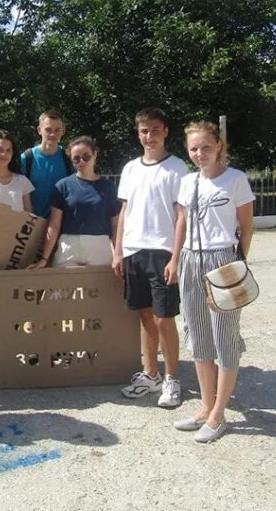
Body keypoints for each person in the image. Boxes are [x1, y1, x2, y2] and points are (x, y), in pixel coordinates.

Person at [172, 120, 255, 442]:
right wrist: (176, 258)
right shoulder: (188, 182)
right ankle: (205, 407)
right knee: (198, 336)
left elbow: (246, 226)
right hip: (191, 260)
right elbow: (182, 222)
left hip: (223, 259)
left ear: (218, 145)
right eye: (193, 148)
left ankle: (220, 413)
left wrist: (238, 263)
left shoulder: (236, 180)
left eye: (206, 147)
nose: (199, 154)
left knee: (225, 337)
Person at [112, 107, 188, 407]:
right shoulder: (131, 168)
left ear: (166, 132)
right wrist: (118, 251)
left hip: (162, 251)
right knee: (144, 315)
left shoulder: (178, 168)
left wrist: (175, 257)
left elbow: (182, 216)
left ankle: (172, 379)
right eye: (144, 130)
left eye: (155, 130)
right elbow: (124, 212)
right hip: (133, 251)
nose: (149, 136)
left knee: (163, 318)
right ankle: (150, 374)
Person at [28, 136, 120, 269]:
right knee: (60, 289)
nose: (81, 161)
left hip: (100, 248)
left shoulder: (109, 187)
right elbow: (54, 224)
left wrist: (119, 254)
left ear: (95, 154)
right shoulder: (62, 186)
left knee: (99, 289)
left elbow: (116, 224)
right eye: (76, 158)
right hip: (69, 246)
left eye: (86, 157)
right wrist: (44, 258)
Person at [20, 110, 74, 219]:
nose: (53, 134)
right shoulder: (27, 158)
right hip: (31, 224)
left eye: (57, 130)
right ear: (39, 130)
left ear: (63, 131)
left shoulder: (69, 158)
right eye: (48, 130)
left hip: (61, 224)